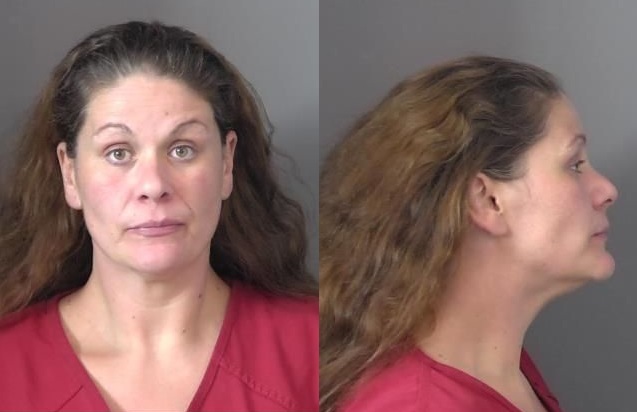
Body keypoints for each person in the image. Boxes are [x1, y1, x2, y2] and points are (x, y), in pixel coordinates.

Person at [0, 21, 318, 412]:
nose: (153, 185)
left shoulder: (311, 346)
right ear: (70, 172)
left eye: (182, 149)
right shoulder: (6, 364)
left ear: (226, 163)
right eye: (118, 152)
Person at [319, 56, 617, 412]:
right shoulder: (417, 405)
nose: (607, 190)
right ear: (488, 200)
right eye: (574, 164)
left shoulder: (501, 371)